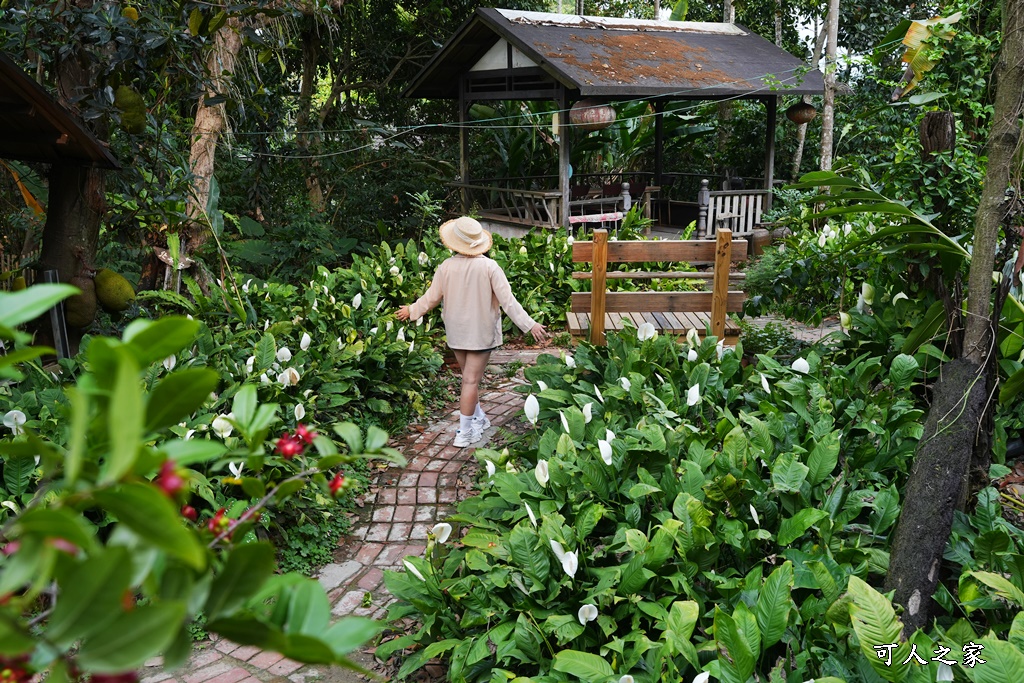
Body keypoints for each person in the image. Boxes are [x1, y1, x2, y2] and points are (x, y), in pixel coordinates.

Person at [397, 216, 549, 447]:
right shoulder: (489, 267)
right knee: (470, 381)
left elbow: (431, 298)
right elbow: (509, 302)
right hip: (481, 334)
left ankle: (478, 418)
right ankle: (464, 432)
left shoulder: (446, 266)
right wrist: (530, 324)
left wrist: (411, 310)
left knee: (470, 380)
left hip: (457, 333)